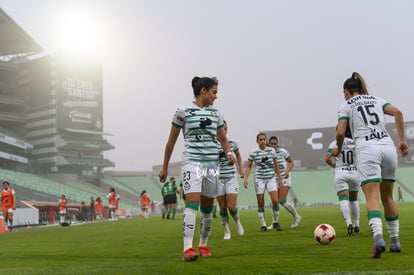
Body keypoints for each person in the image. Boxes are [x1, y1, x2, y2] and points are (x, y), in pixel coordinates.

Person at [159, 76, 235, 262]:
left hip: (211, 165)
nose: (216, 96)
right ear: (203, 90)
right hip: (191, 163)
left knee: (208, 209)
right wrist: (165, 167)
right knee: (192, 204)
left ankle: (203, 244)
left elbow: (224, 140)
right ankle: (187, 249)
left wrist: (229, 153)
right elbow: (171, 142)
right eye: (214, 92)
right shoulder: (183, 112)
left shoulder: (217, 114)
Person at [332, 72, 408, 258]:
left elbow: (340, 133)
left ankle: (378, 240)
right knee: (388, 197)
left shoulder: (346, 105)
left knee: (372, 196)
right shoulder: (376, 99)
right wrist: (403, 141)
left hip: (367, 148)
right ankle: (395, 241)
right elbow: (398, 113)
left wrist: (338, 149)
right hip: (387, 147)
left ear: (346, 92)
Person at [244, 133, 283, 232]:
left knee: (275, 201)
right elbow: (249, 166)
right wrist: (246, 179)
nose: (262, 141)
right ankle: (263, 225)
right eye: (260, 140)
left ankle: (275, 222)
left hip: (271, 178)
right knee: (260, 202)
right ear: (257, 141)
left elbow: (276, 165)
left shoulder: (271, 151)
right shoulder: (253, 152)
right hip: (259, 179)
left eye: (264, 139)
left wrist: (280, 179)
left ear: (266, 141)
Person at [326, 130, 360, 236]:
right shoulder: (356, 142)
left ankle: (348, 223)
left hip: (341, 173)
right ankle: (356, 224)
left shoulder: (334, 143)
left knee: (343, 200)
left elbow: (327, 159)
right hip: (354, 172)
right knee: (354, 200)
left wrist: (333, 165)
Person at [217, 120, 244, 239]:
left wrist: (240, 169)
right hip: (217, 178)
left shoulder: (232, 143)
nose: (224, 131)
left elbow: (238, 155)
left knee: (231, 206)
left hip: (231, 177)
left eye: (225, 129)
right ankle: (226, 231)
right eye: (222, 128)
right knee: (222, 207)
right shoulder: (211, 145)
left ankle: (237, 222)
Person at [268, 136, 302, 229]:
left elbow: (291, 162)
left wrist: (287, 171)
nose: (273, 145)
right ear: (269, 144)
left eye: (275, 144)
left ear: (277, 144)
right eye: (272, 144)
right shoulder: (267, 153)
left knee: (282, 200)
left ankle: (297, 216)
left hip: (284, 178)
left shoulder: (283, 152)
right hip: (273, 179)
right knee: (275, 202)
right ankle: (274, 223)